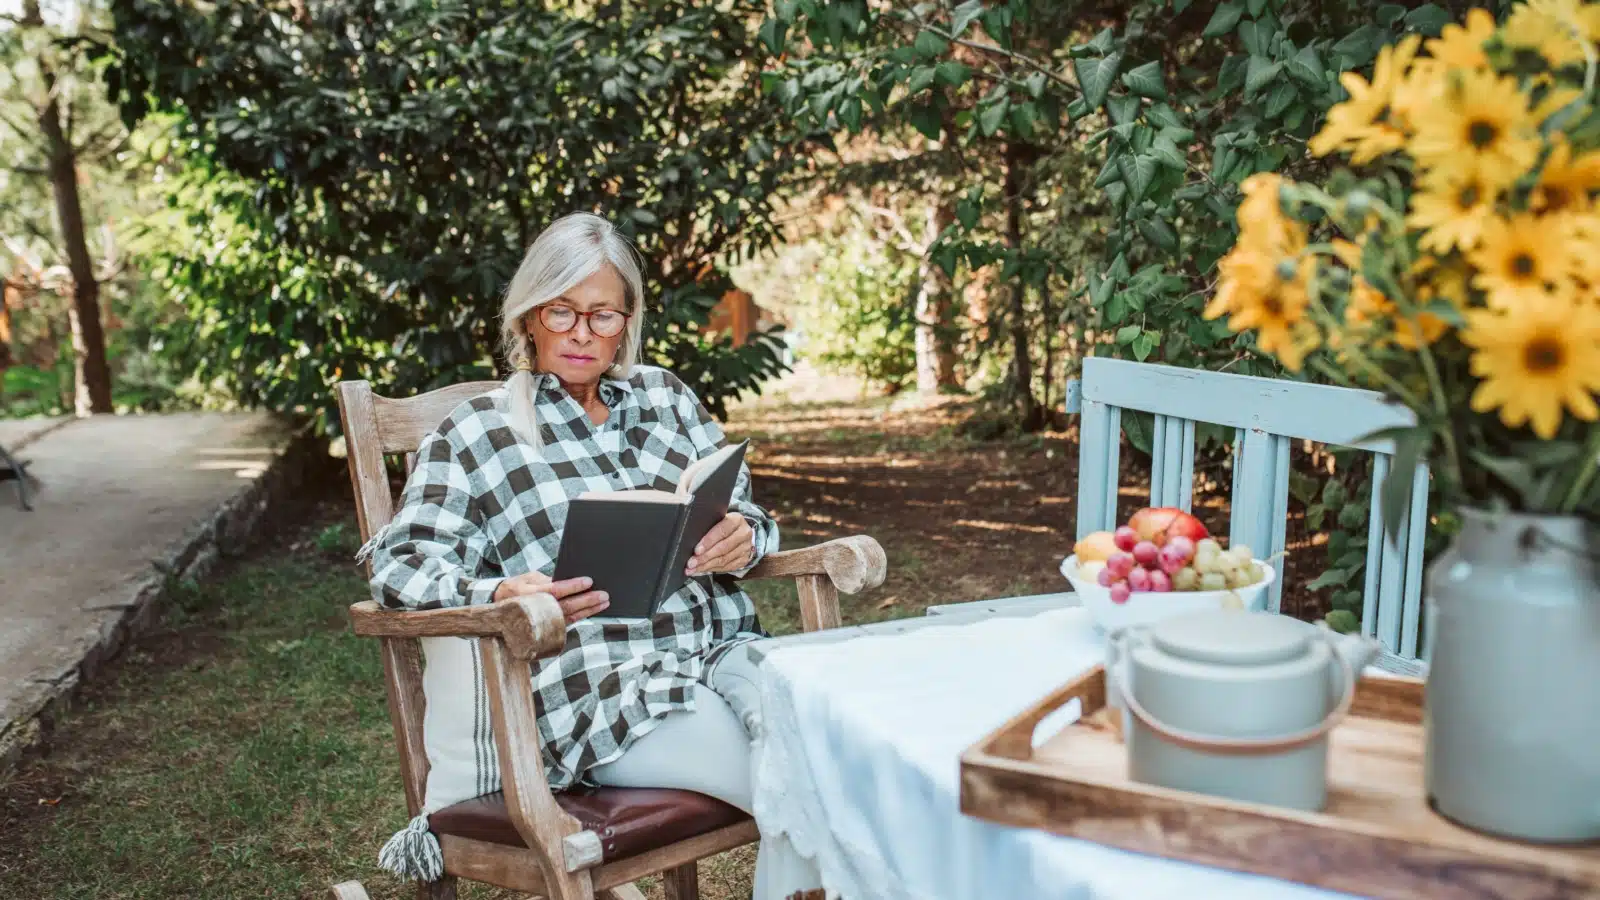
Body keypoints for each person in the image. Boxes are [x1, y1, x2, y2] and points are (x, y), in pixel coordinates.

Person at [363, 212, 821, 898]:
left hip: (722, 647)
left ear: (627, 322)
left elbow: (740, 505)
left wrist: (747, 535)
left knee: (830, 740)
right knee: (800, 789)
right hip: (604, 691)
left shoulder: (667, 399)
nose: (583, 333)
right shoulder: (478, 433)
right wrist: (495, 593)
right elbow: (397, 562)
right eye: (563, 311)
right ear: (528, 318)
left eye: (604, 316)